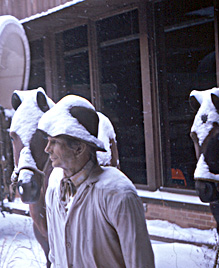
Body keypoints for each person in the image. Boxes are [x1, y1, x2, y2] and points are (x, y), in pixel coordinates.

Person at [37, 95, 155, 268]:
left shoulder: (118, 193)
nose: (47, 149)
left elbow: (140, 263)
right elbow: (55, 257)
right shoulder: (54, 186)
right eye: (48, 141)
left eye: (54, 142)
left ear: (79, 148)